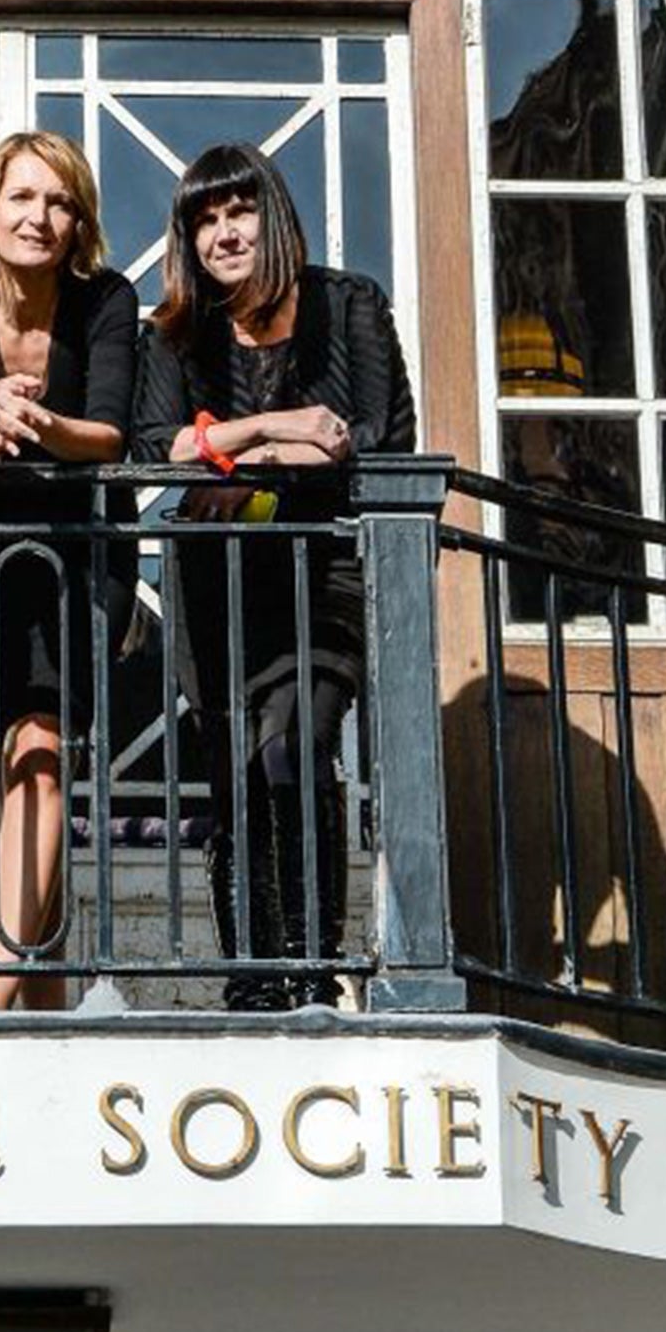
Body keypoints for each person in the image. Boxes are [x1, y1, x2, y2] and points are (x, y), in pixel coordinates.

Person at [130, 142, 416, 1010]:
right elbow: (154, 448)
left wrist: (236, 457)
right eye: (205, 220)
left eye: (238, 211)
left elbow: (381, 437)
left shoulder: (347, 303)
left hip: (320, 570)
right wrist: (279, 433)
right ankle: (251, 976)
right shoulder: (177, 333)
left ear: (274, 215)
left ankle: (310, 965)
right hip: (212, 583)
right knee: (234, 772)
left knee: (295, 744)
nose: (224, 233)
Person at [0, 131, 137, 1011]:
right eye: (22, 198)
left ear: (77, 219)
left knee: (42, 754)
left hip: (81, 558)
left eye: (58, 201)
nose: (38, 216)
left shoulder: (107, 300)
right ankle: (43, 994)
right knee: (19, 757)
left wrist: (34, 425)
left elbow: (111, 432)